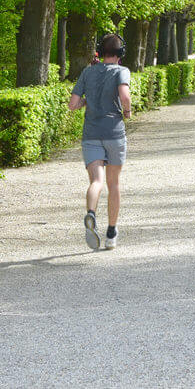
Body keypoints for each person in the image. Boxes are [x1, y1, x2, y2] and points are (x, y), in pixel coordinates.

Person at [68, 34, 132, 251]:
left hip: (91, 134)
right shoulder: (122, 71)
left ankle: (91, 214)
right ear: (120, 53)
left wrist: (88, 100)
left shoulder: (88, 71)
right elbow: (124, 96)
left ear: (100, 52)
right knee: (113, 184)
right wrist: (128, 111)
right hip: (114, 133)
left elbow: (73, 104)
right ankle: (111, 233)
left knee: (96, 181)